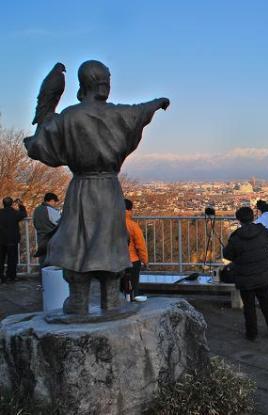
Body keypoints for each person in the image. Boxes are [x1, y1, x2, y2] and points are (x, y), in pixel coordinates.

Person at [23, 60, 169, 315]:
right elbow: (138, 112)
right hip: (109, 191)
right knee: (111, 242)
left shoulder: (69, 116)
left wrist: (47, 107)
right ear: (104, 83)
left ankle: (78, 299)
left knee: (77, 241)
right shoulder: (118, 114)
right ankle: (111, 298)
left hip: (81, 190)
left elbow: (39, 144)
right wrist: (157, 103)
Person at [223, 207, 268, 341]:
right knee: (266, 304)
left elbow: (228, 254)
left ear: (239, 220)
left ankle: (252, 334)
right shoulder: (262, 231)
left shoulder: (236, 237)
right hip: (263, 274)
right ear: (253, 217)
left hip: (245, 277)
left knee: (249, 307)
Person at [122, 199, 148, 301]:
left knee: (118, 288)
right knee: (134, 287)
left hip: (117, 262)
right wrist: (145, 261)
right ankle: (134, 303)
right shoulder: (133, 225)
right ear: (130, 210)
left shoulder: (111, 225)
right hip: (133, 261)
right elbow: (141, 245)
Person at [0, 197, 27, 283]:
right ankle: (11, 276)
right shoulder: (15, 213)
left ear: (3, 204)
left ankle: (1, 277)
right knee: (12, 259)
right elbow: (24, 214)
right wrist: (21, 205)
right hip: (12, 240)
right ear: (11, 204)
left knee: (1, 259)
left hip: (1, 240)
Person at [32, 192, 62, 266]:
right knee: (52, 261)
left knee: (42, 259)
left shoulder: (36, 210)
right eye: (55, 202)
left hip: (40, 238)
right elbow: (60, 223)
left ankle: (43, 275)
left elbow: (35, 223)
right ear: (51, 200)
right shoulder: (51, 210)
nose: (55, 204)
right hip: (51, 238)